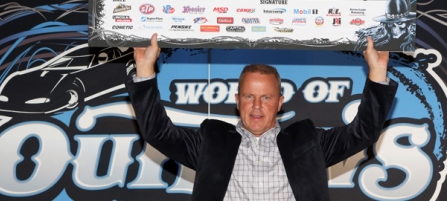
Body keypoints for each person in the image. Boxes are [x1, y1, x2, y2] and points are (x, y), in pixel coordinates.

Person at [126, 33, 398, 201]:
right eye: (249, 97)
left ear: (280, 102)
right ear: (237, 101)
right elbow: (157, 132)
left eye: (266, 97)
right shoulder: (211, 141)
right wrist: (145, 66)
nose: (257, 106)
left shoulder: (308, 142)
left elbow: (363, 132)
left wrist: (377, 71)